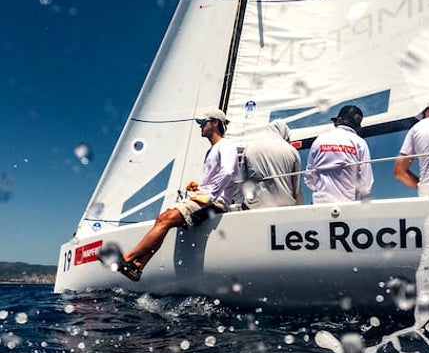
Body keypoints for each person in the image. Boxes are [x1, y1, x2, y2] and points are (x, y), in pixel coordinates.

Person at [105, 109, 240, 281]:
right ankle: (138, 266)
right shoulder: (211, 151)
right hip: (205, 198)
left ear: (214, 123)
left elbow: (228, 172)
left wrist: (209, 194)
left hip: (214, 202)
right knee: (162, 219)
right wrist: (199, 186)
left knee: (165, 219)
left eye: (202, 122)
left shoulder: (226, 145)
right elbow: (219, 177)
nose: (200, 126)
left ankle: (128, 259)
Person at [304, 105, 374, 203]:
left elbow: (309, 178)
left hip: (319, 204)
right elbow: (366, 182)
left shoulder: (319, 140)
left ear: (338, 121)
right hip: (348, 205)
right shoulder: (360, 143)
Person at [240, 120, 302, 209]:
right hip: (285, 205)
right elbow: (296, 185)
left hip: (257, 204)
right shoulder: (291, 150)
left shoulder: (250, 147)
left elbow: (243, 178)